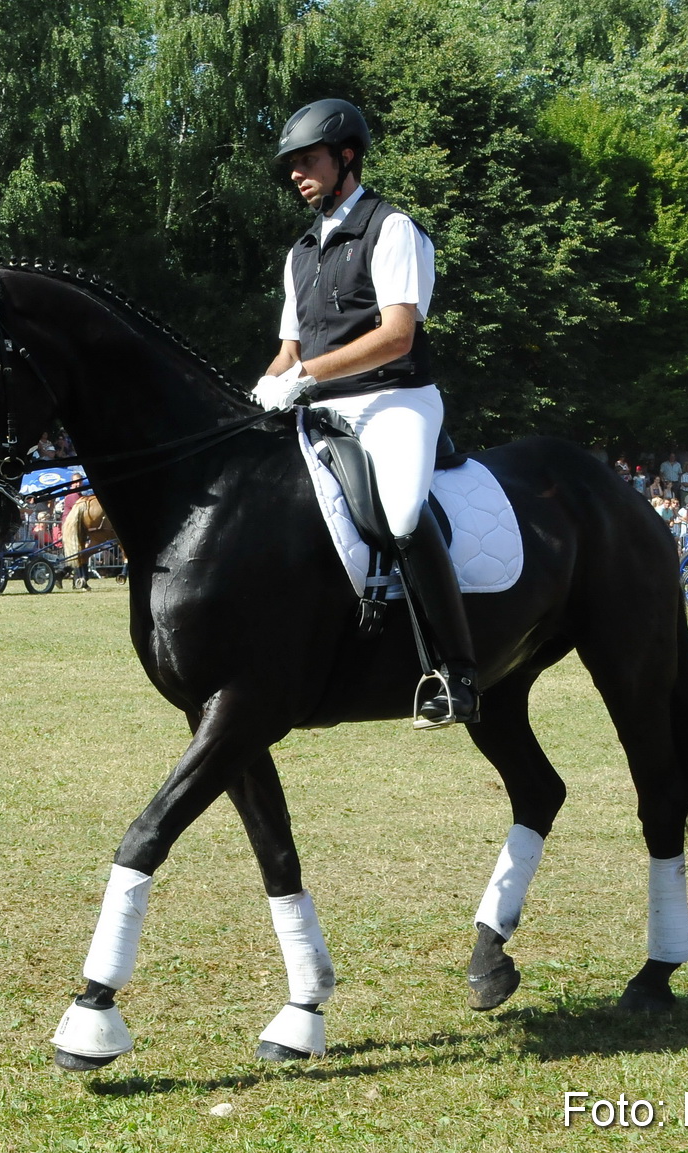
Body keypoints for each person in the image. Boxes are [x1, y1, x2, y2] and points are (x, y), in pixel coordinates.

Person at [254, 98, 474, 728]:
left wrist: (302, 376)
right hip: (322, 405)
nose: (298, 174)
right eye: (292, 166)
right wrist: (258, 391)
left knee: (403, 510)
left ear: (346, 156)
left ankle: (457, 674)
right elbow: (289, 350)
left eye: (309, 161)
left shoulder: (391, 227)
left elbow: (398, 334)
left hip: (395, 399)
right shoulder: (300, 252)